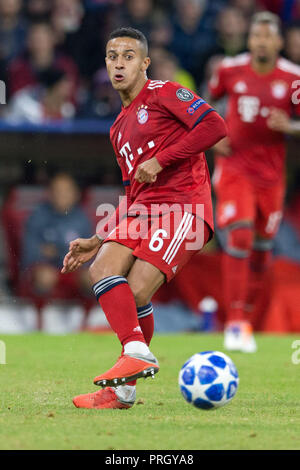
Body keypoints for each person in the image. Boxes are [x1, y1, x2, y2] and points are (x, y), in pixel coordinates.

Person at [61, 27, 226, 409]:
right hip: (146, 209)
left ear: (144, 63)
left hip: (184, 206)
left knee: (135, 292)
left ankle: (128, 373)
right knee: (102, 270)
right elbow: (134, 193)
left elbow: (216, 126)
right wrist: (98, 238)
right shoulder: (117, 129)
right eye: (112, 56)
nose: (119, 63)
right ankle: (127, 381)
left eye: (128, 56)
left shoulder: (165, 93)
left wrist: (161, 159)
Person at [208, 11, 300, 353]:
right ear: (250, 40)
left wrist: (289, 126)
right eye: (255, 36)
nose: (260, 42)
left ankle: (244, 319)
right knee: (241, 234)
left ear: (278, 42)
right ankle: (233, 323)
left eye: (267, 37)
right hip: (235, 168)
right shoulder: (230, 69)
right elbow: (205, 101)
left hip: (272, 178)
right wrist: (212, 134)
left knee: (262, 252)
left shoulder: (293, 79)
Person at [21, 173, 92, 304]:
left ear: (76, 194)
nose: (62, 195)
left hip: (73, 272)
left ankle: (87, 320)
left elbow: (88, 254)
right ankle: (40, 319)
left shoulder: (82, 219)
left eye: (67, 190)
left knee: (91, 278)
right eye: (57, 191)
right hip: (46, 270)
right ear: (49, 194)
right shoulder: (38, 216)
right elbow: (30, 252)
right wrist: (65, 253)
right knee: (45, 276)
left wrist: (56, 252)